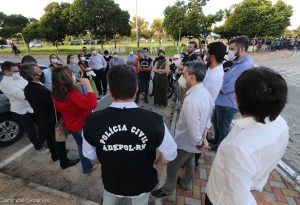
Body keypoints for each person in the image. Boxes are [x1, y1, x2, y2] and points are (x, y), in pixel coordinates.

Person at [82, 64, 177, 205]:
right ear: (136, 89)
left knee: (109, 196)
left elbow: (90, 155)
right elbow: (170, 153)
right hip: (142, 182)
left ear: (109, 91)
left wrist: (102, 161)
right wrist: (157, 164)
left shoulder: (92, 120)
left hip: (111, 180)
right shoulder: (154, 120)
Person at [206, 67, 289, 205]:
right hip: (252, 186)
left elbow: (239, 199)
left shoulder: (238, 147)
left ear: (236, 98)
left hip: (220, 198)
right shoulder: (281, 124)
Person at [151, 62, 213, 198]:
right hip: (195, 141)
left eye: (184, 75)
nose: (181, 77)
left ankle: (168, 189)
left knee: (173, 166)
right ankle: (186, 183)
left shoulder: (191, 100)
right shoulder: (205, 93)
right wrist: (202, 140)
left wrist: (200, 143)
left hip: (186, 141)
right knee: (190, 161)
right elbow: (208, 118)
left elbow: (193, 127)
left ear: (192, 78)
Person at [20, 63, 80, 169]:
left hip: (40, 118)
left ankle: (54, 155)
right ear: (33, 76)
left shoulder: (28, 88)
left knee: (50, 139)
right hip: (52, 119)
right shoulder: (42, 91)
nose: (42, 72)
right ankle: (64, 162)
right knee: (59, 141)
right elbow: (54, 106)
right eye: (39, 71)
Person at [52, 66, 97, 174]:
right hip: (80, 125)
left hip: (70, 124)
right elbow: (92, 104)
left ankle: (87, 166)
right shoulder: (72, 94)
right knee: (84, 147)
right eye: (71, 74)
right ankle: (88, 167)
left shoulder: (56, 92)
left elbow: (58, 108)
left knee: (80, 145)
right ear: (67, 78)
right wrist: (88, 85)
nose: (73, 75)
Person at [212, 36, 254, 150]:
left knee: (223, 126)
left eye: (231, 49)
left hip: (228, 102)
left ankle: (222, 147)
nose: (229, 52)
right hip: (222, 100)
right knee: (215, 121)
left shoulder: (245, 65)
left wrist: (215, 88)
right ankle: (217, 140)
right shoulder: (237, 61)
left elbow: (231, 86)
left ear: (241, 50)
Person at [0, 61, 48, 154]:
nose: (17, 72)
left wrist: (30, 89)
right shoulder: (4, 83)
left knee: (42, 125)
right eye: (14, 71)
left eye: (17, 70)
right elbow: (25, 96)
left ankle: (41, 142)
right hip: (20, 110)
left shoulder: (19, 77)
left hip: (32, 107)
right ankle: (38, 148)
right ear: (6, 72)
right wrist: (31, 90)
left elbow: (34, 85)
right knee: (31, 131)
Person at [195, 41, 227, 167]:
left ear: (212, 56)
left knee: (198, 138)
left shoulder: (215, 75)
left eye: (207, 53)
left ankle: (193, 163)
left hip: (203, 110)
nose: (205, 55)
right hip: (201, 107)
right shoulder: (211, 69)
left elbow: (202, 92)